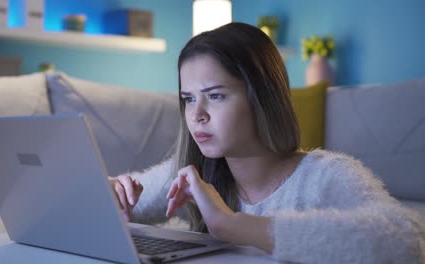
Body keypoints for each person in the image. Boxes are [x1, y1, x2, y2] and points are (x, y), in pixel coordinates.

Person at [108, 22, 425, 263]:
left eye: (215, 96)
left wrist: (235, 225)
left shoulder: (324, 176)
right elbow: (109, 206)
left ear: (261, 97)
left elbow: (408, 240)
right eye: (188, 99)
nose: (197, 115)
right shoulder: (190, 174)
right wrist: (111, 192)